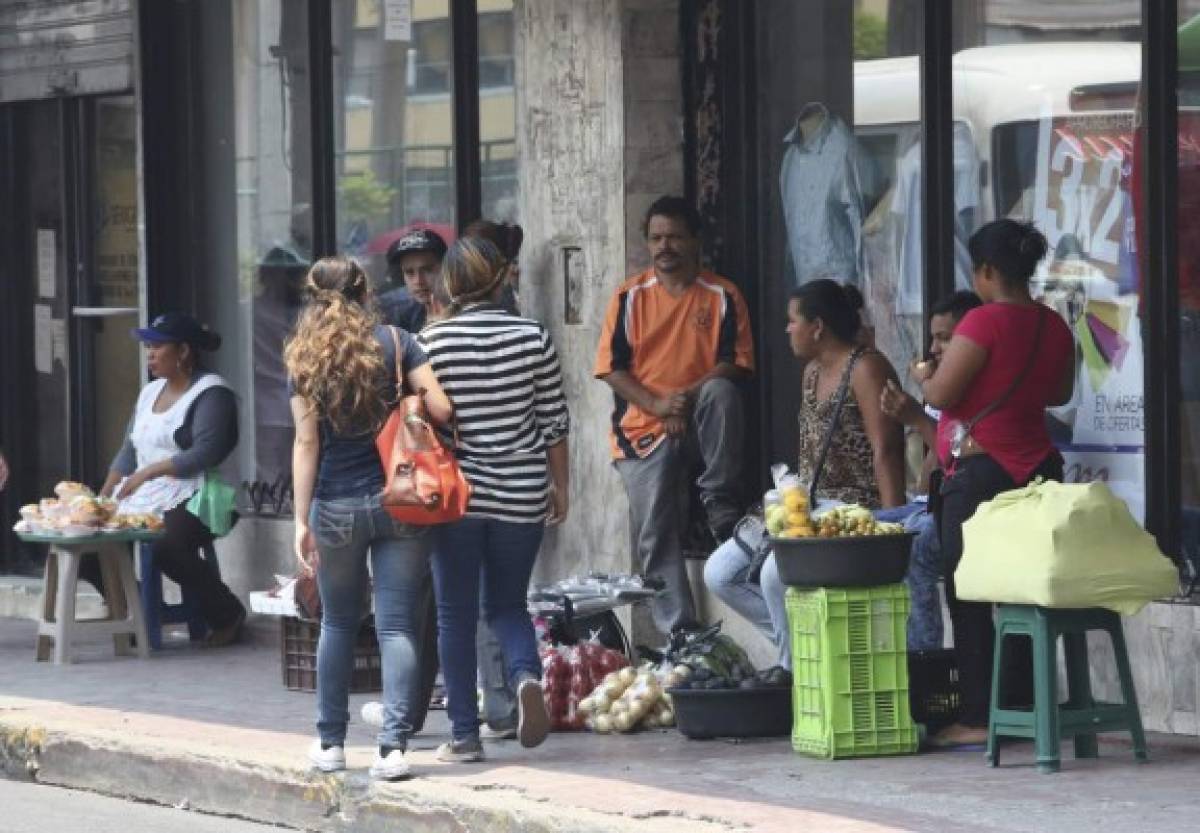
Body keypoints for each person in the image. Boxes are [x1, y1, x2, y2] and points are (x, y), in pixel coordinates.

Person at [286, 256, 453, 780]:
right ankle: (393, 749)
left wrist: (300, 520)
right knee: (398, 623)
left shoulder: (304, 358)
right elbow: (444, 410)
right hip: (400, 497)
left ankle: (331, 744)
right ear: (366, 292)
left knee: (337, 621)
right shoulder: (398, 342)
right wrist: (408, 394)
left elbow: (306, 442)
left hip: (334, 505)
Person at [917, 220, 1074, 748]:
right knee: (1025, 592)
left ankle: (979, 716)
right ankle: (1026, 702)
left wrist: (922, 375)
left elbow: (940, 393)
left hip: (982, 475)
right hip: (1039, 470)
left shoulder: (982, 323)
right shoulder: (1053, 326)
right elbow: (1057, 393)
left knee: (969, 593)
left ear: (986, 271)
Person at [418, 237, 570, 763]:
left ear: (452, 284)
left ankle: (463, 735)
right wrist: (562, 485)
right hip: (523, 492)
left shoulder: (432, 343)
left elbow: (422, 421)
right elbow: (553, 420)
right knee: (507, 604)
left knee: (454, 616)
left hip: (456, 499)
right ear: (502, 276)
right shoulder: (533, 337)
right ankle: (526, 675)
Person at [704, 279, 905, 671]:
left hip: (852, 508)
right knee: (720, 573)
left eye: (792, 321)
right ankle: (812, 651)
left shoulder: (867, 368)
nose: (786, 330)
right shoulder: (811, 371)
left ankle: (797, 674)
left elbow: (887, 450)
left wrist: (893, 524)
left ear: (818, 326)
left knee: (777, 575)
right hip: (808, 504)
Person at [594, 195, 755, 639]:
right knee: (655, 531)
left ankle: (719, 501)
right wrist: (658, 406)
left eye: (675, 237)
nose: (664, 246)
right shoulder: (628, 297)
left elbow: (736, 362)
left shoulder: (723, 295)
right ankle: (680, 631)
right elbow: (610, 368)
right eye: (656, 238)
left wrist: (683, 399)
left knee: (722, 391)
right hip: (641, 427)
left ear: (695, 242)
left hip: (697, 412)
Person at [98, 313, 244, 646]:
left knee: (167, 545)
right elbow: (128, 451)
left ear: (183, 352)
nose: (149, 353)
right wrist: (102, 498)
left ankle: (226, 613)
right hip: (144, 492)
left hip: (200, 495)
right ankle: (138, 610)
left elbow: (206, 453)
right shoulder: (149, 393)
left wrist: (149, 472)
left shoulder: (213, 394)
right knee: (90, 540)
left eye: (157, 346)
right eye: (148, 346)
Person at [878, 290, 983, 651]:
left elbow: (952, 456)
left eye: (944, 338)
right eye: (933, 338)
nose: (935, 349)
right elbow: (926, 478)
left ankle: (925, 661)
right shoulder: (942, 386)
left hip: (967, 505)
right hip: (930, 502)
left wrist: (917, 416)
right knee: (863, 529)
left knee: (912, 546)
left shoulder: (971, 386)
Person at [377, 228, 449, 333]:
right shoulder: (397, 313)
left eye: (427, 270)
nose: (418, 281)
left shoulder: (464, 309)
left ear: (445, 268)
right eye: (409, 272)